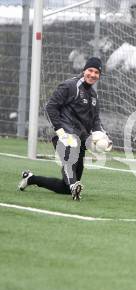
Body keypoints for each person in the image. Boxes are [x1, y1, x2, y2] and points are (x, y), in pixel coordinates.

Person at [18, 57, 110, 201]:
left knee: (64, 188)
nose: (92, 74)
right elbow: (50, 107)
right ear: (84, 70)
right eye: (90, 70)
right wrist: (60, 132)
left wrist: (102, 135)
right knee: (69, 165)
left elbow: (95, 120)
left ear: (99, 75)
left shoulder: (93, 95)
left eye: (96, 72)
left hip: (81, 140)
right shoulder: (69, 86)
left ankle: (31, 179)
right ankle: (74, 187)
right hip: (66, 136)